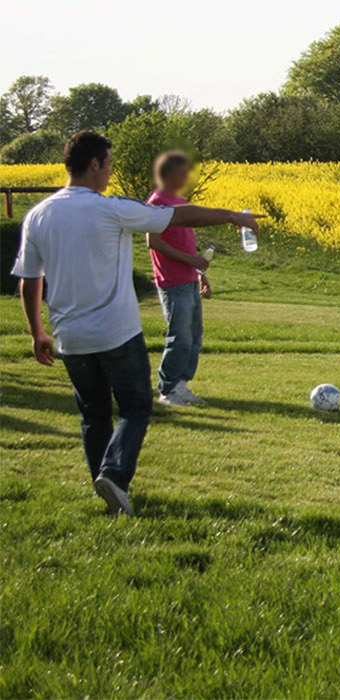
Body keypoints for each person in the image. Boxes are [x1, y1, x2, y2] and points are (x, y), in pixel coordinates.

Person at [12, 131, 264, 516]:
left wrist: (37, 332)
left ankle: (109, 493)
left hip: (69, 337)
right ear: (94, 164)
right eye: (108, 164)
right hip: (116, 333)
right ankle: (114, 476)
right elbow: (178, 216)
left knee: (93, 415)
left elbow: (30, 280)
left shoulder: (39, 215)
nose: (110, 173)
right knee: (135, 407)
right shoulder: (111, 209)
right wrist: (233, 216)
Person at [146, 151, 210, 407]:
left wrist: (201, 274)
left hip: (188, 279)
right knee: (180, 336)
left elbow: (188, 245)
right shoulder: (158, 202)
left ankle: (181, 384)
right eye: (183, 172)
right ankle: (168, 389)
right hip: (172, 281)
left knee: (194, 335)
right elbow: (153, 241)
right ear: (169, 174)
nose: (187, 177)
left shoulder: (180, 201)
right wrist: (189, 261)